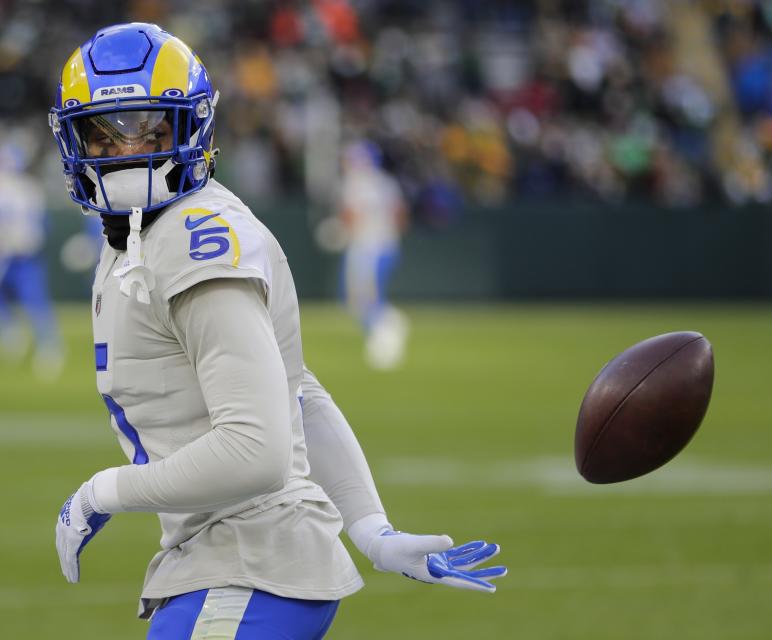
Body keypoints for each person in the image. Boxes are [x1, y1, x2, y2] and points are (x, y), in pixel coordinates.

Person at [50, 23, 505, 639]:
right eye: (100, 135)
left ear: (192, 127)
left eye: (149, 127)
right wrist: (370, 528)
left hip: (251, 566)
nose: (124, 151)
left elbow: (255, 451)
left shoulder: (190, 237)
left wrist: (101, 492)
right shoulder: (136, 231)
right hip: (237, 561)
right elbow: (296, 391)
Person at [0, 140, 64, 377]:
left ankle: (15, 334)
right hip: (27, 250)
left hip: (3, 252)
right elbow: (45, 224)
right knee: (33, 302)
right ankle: (45, 347)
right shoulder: (31, 187)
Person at [338, 140, 410, 369]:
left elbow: (351, 216)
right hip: (386, 245)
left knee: (361, 299)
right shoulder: (387, 182)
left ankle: (386, 335)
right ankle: (389, 324)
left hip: (366, 248)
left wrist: (340, 233)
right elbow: (400, 215)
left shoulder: (355, 184)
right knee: (363, 297)